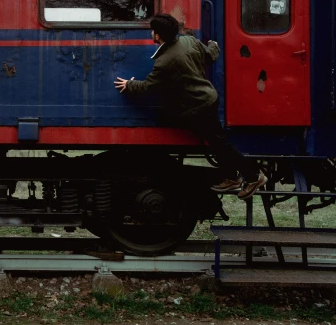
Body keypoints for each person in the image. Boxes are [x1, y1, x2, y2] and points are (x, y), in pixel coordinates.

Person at [113, 13, 267, 200]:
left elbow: (148, 86)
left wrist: (129, 85)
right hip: (208, 98)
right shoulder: (189, 41)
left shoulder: (164, 62)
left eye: (153, 31)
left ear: (158, 35)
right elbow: (210, 55)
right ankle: (231, 177)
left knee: (221, 145)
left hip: (198, 107)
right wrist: (213, 45)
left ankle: (254, 176)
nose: (151, 33)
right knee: (217, 143)